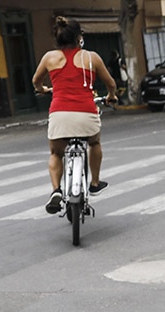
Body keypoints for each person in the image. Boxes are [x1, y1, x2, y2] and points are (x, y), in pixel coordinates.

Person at [31, 16, 118, 215]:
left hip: (60, 114)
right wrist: (111, 96)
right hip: (86, 114)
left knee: (56, 153)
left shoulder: (49, 58)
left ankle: (56, 190)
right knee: (94, 143)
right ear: (79, 37)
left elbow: (36, 81)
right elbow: (111, 84)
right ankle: (94, 183)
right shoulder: (91, 57)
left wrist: (43, 89)